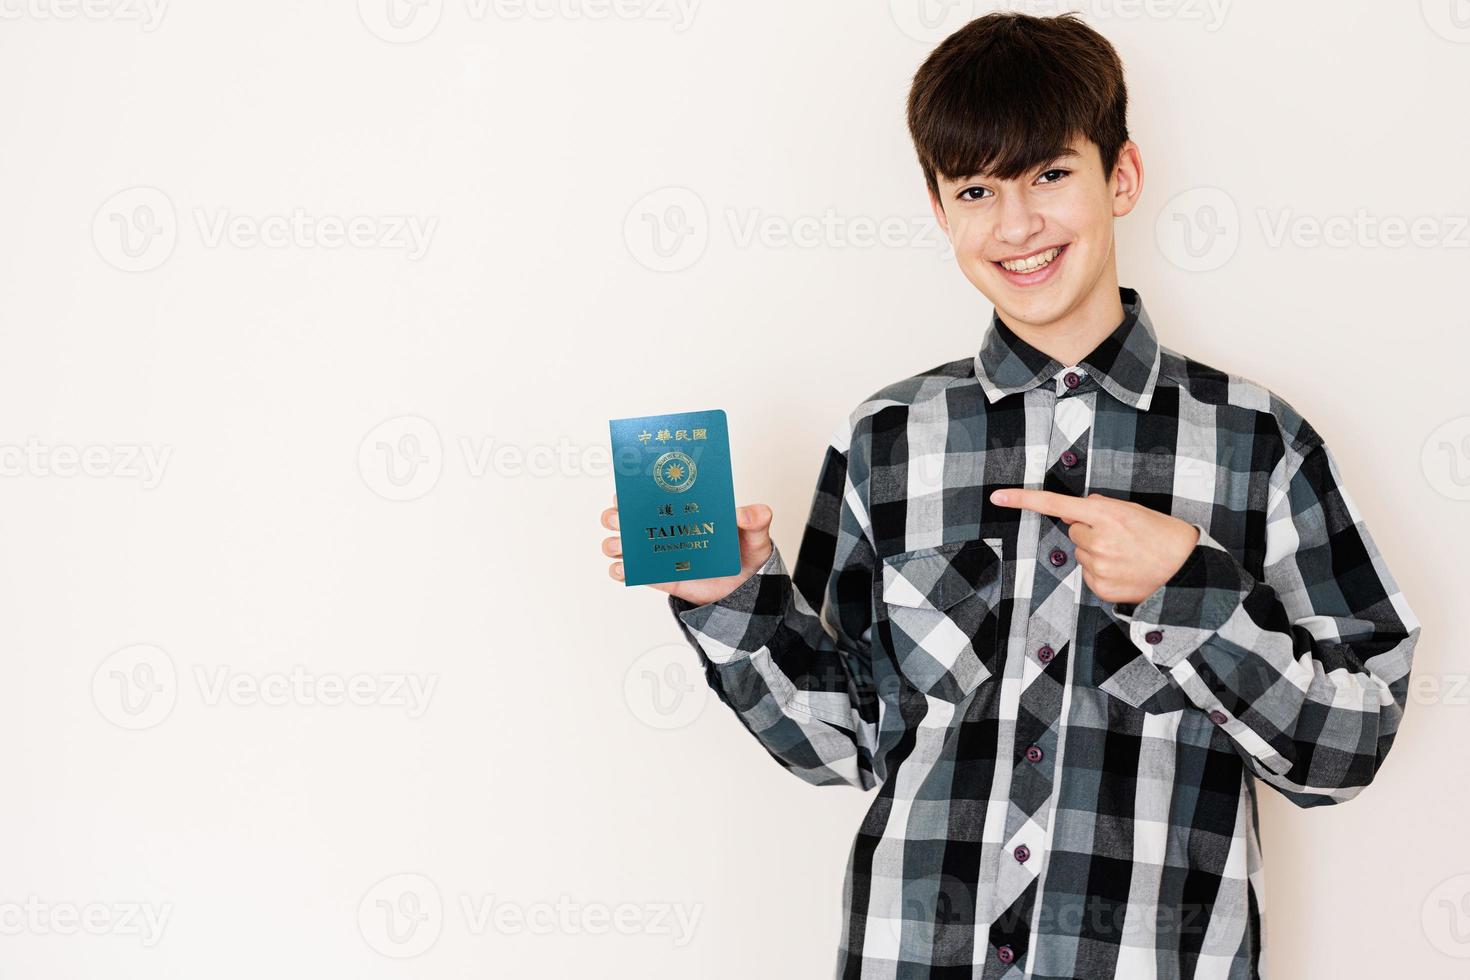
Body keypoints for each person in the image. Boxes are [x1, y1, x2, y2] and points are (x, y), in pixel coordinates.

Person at [599, 11, 1420, 978]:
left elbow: (1349, 747)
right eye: (977, 188)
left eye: (1050, 175)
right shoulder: (885, 440)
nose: (1016, 224)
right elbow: (844, 742)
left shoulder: (1258, 442)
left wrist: (1187, 590)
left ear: (1122, 177)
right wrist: (733, 602)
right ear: (940, 210)